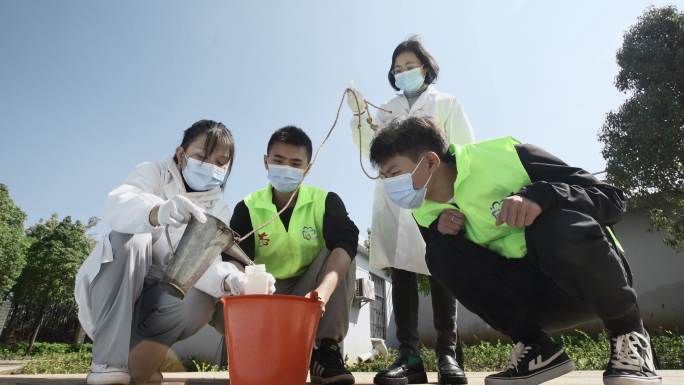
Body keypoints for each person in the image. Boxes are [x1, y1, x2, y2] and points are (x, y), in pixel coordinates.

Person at [367, 116, 661, 385]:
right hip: (535, 304)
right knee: (439, 253)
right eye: (384, 178)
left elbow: (612, 200)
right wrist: (439, 233)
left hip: (593, 282)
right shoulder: (424, 210)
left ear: (430, 162)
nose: (390, 186)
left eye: (394, 174)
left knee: (552, 223)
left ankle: (629, 336)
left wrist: (542, 195)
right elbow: (465, 274)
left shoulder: (508, 156)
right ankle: (536, 349)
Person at [74, 120, 271, 385]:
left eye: (221, 161)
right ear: (181, 154)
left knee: (201, 301)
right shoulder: (153, 172)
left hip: (154, 304)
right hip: (112, 298)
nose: (211, 166)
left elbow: (201, 266)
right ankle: (108, 363)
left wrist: (231, 279)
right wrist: (157, 212)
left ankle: (140, 361)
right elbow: (117, 204)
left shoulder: (218, 209)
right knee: (133, 239)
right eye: (202, 156)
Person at [346, 36, 473, 385]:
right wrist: (359, 115)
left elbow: (465, 150)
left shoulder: (446, 103)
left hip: (437, 195)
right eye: (397, 68)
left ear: (426, 68)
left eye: (409, 66)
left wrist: (459, 199)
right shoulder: (386, 109)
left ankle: (448, 353)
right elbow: (367, 147)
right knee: (402, 272)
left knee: (441, 269)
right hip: (396, 198)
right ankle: (409, 356)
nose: (402, 72)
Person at [227, 126, 359, 385]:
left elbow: (345, 243)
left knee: (343, 247)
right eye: (278, 160)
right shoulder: (247, 208)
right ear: (266, 162)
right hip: (265, 297)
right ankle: (262, 348)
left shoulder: (325, 201)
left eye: (296, 163)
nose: (286, 168)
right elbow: (234, 260)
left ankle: (326, 350)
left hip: (310, 294)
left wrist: (321, 294)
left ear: (307, 168)